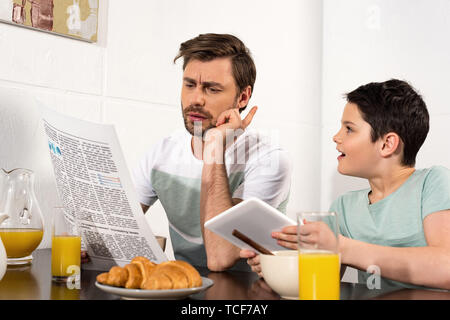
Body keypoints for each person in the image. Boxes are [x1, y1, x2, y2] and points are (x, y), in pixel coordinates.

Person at [242, 79, 450, 290]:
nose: (336, 137)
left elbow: (446, 267)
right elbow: (325, 281)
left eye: (349, 129)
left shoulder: (433, 182)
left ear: (387, 144)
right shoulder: (343, 207)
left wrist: (341, 246)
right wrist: (274, 261)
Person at [133, 33, 291, 271]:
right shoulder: (161, 154)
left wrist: (214, 148)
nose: (196, 99)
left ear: (243, 97)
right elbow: (116, 226)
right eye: (189, 85)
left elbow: (220, 257)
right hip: (186, 291)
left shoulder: (269, 160)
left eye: (212, 89)